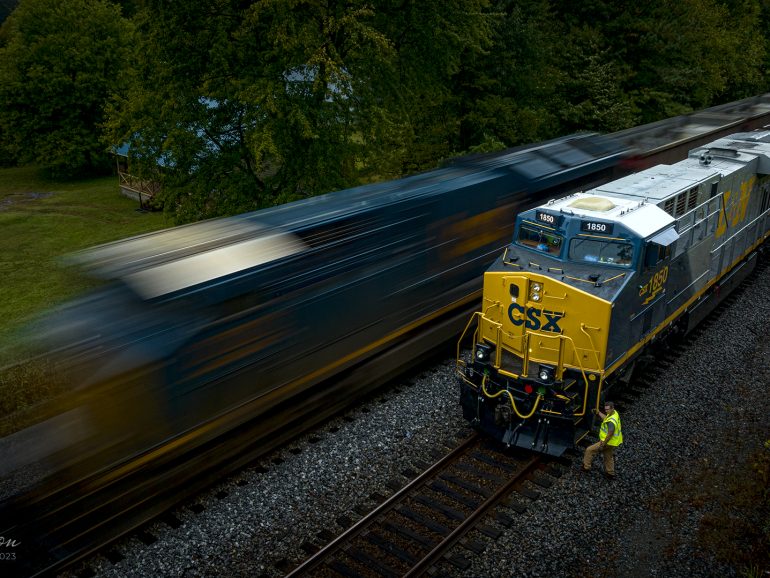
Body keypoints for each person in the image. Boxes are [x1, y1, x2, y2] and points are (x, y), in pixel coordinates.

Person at [582, 401, 623, 479]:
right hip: (613, 442)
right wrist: (598, 413)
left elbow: (610, 433)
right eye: (605, 409)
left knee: (589, 450)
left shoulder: (611, 422)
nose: (606, 411)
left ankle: (586, 467)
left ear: (612, 408)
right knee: (608, 456)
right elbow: (606, 418)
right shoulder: (614, 414)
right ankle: (610, 473)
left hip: (608, 441)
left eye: (608, 410)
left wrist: (603, 444)